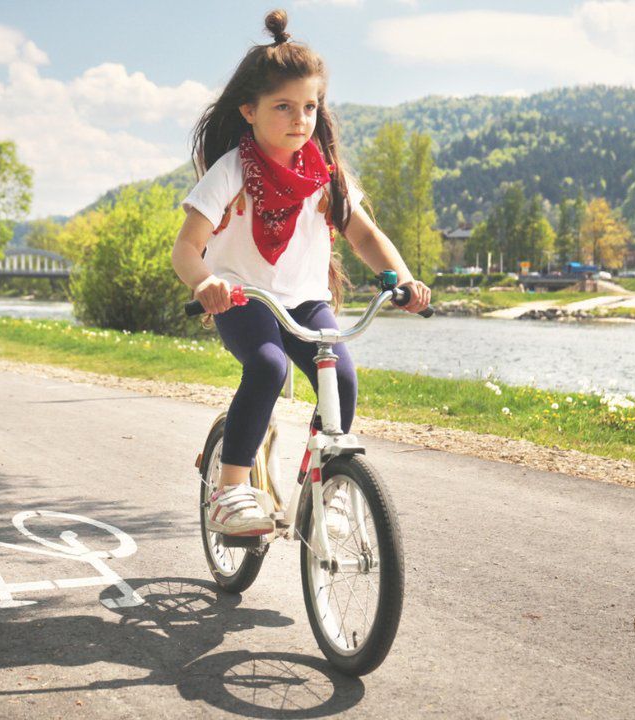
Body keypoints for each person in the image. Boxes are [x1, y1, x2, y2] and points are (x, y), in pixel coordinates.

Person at [171, 9, 431, 536]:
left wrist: (403, 279)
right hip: (244, 300)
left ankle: (323, 486)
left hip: (307, 300)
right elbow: (187, 248)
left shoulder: (324, 175)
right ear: (249, 110)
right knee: (268, 368)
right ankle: (230, 491)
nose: (299, 119)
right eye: (284, 106)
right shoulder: (232, 172)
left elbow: (364, 236)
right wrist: (206, 283)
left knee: (345, 383)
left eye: (309, 107)